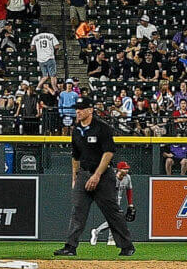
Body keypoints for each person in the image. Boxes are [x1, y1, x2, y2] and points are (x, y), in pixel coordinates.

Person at [51, 91, 135, 257]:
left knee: (112, 212)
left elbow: (109, 152)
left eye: (81, 109)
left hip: (103, 175)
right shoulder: (76, 131)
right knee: (77, 211)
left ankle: (127, 246)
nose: (78, 111)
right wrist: (75, 177)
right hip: (83, 174)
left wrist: (97, 175)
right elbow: (75, 156)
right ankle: (70, 247)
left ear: (90, 110)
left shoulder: (102, 128)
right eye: (77, 109)